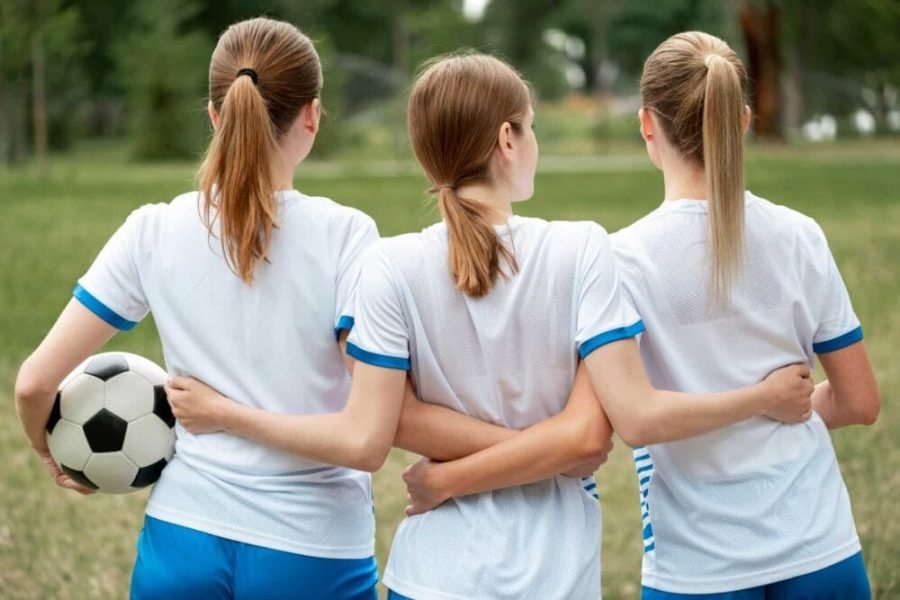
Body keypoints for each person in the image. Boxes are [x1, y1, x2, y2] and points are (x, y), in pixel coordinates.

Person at [165, 53, 814, 600]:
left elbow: (398, 420)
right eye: (529, 128)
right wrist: (546, 446)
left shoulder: (387, 265)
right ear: (507, 140)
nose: (532, 142)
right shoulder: (583, 250)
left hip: (429, 576)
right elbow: (584, 441)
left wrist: (449, 476)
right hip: (554, 578)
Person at [607, 31, 880, 599]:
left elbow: (633, 418)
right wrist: (765, 407)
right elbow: (858, 402)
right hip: (821, 548)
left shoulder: (620, 260)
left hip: (700, 566)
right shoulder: (800, 236)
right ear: (744, 120)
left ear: (646, 125)